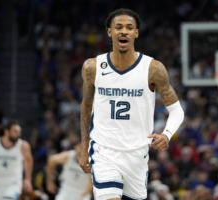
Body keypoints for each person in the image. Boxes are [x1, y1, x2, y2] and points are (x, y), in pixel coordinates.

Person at [78, 8, 184, 200]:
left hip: (137, 154)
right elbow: (86, 107)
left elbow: (176, 110)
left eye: (129, 27)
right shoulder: (92, 67)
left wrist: (167, 135)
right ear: (110, 32)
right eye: (118, 27)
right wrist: (84, 146)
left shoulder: (153, 69)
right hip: (104, 151)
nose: (123, 31)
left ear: (136, 33)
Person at [0, 119, 33, 199]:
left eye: (19, 132)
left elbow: (28, 160)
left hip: (13, 185)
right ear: (6, 132)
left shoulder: (23, 146)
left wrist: (28, 179)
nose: (18, 134)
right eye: (15, 131)